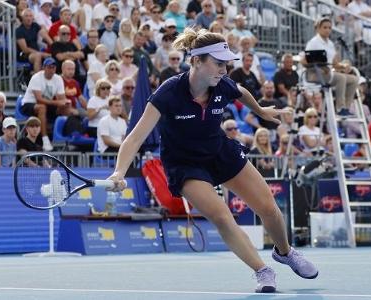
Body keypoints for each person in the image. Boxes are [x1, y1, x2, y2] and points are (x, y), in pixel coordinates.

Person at [106, 27, 318, 293]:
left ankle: (285, 252)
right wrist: (118, 173)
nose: (224, 70)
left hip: (218, 151)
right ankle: (262, 271)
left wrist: (260, 110)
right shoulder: (168, 93)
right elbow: (135, 138)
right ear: (196, 61)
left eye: (227, 64)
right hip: (185, 164)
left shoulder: (223, 84)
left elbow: (241, 92)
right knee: (221, 216)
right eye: (218, 64)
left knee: (268, 207)